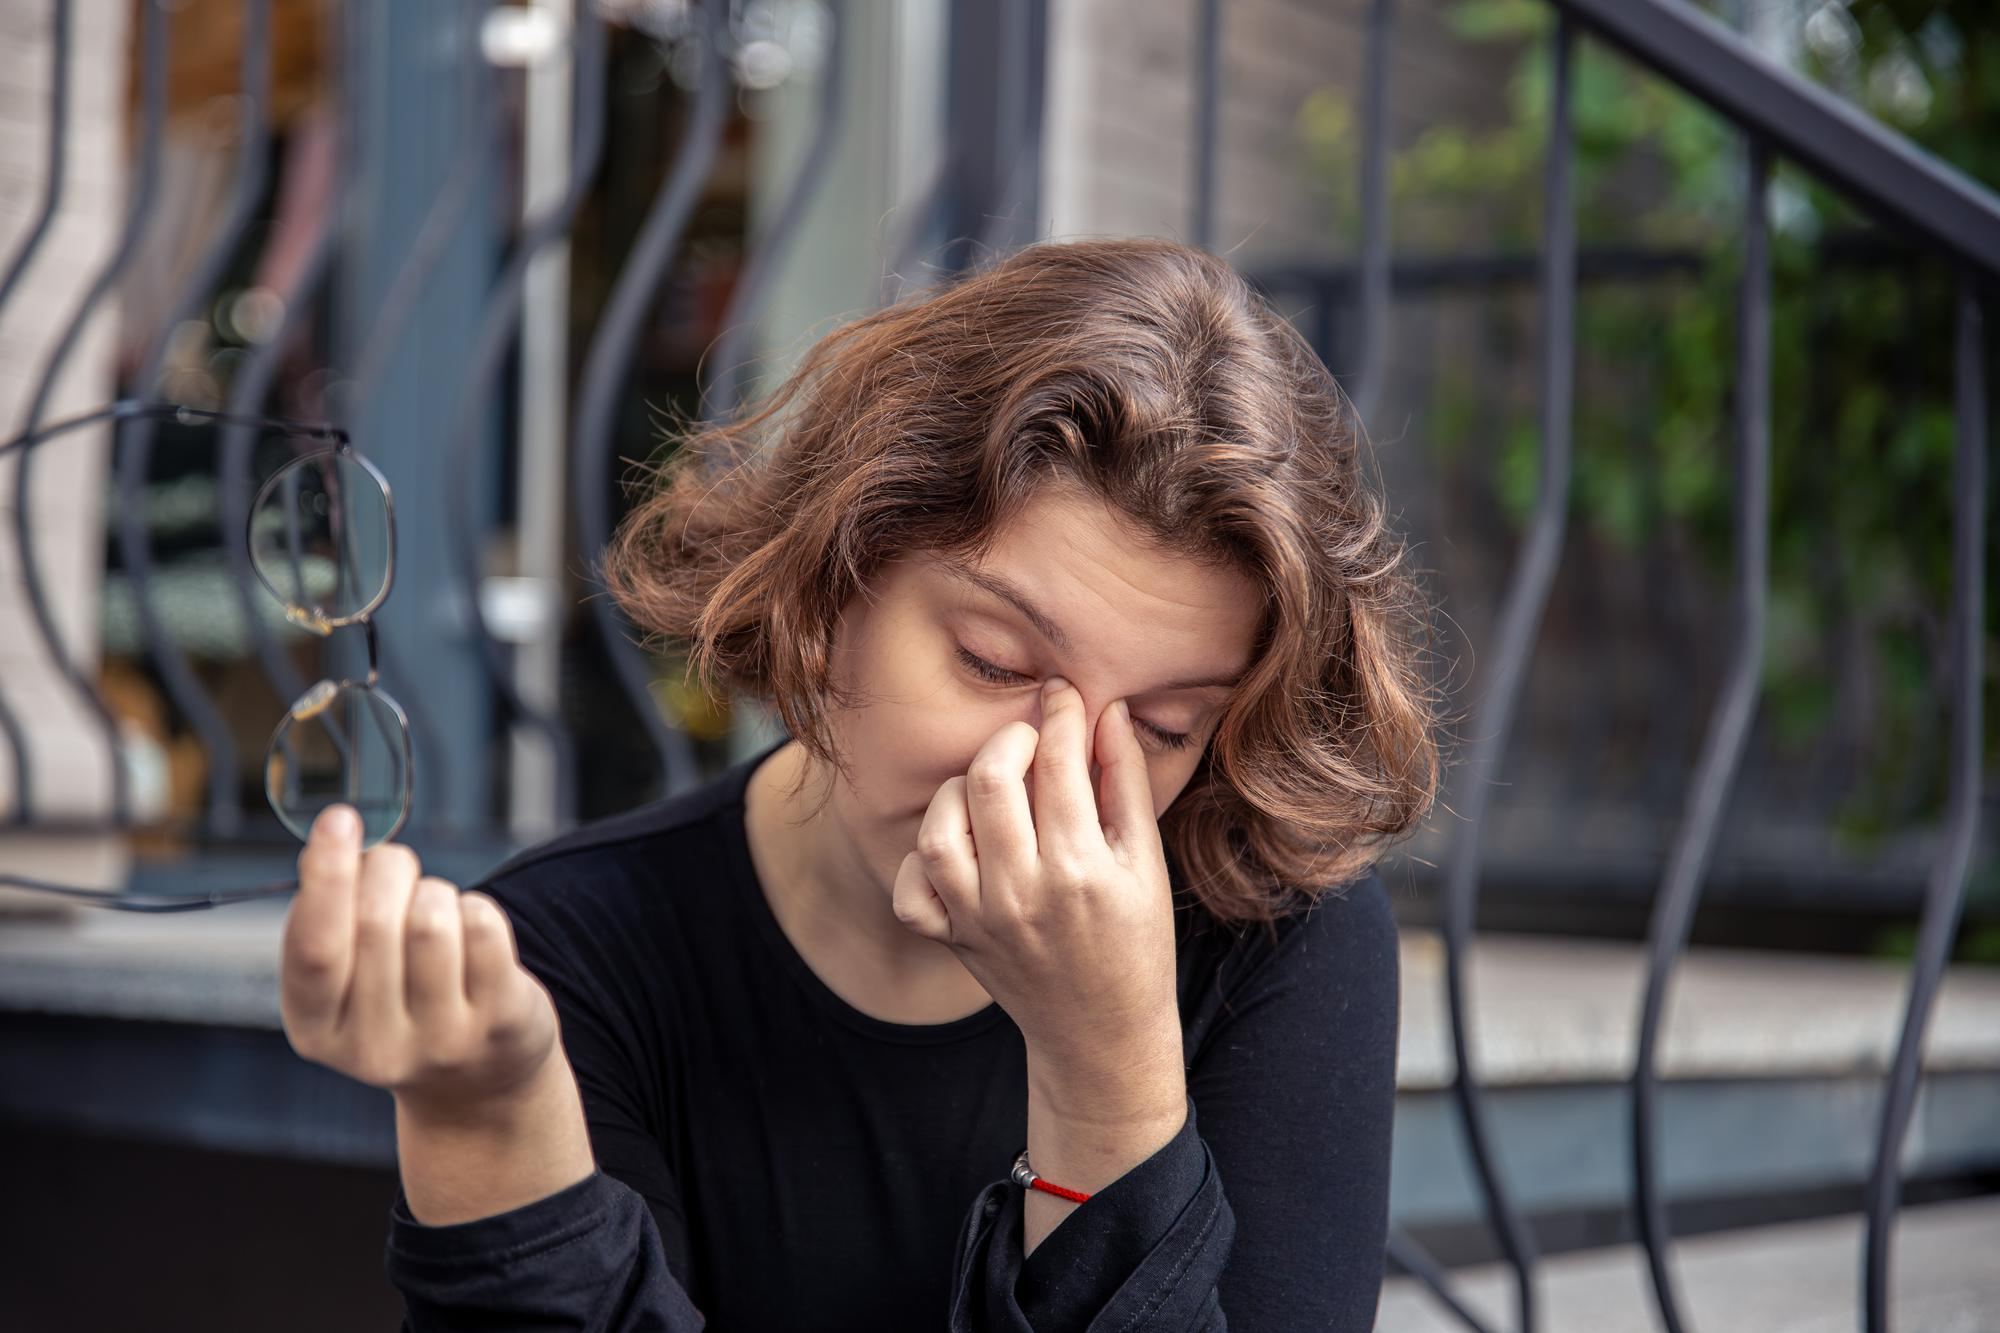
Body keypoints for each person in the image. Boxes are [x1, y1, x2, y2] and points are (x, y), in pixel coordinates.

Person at [277, 236, 1443, 1331]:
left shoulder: (1282, 934)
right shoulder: (576, 956)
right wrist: (494, 1133)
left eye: (1162, 724)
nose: (1050, 774)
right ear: (832, 586)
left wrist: (1106, 1070)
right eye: (994, 661)